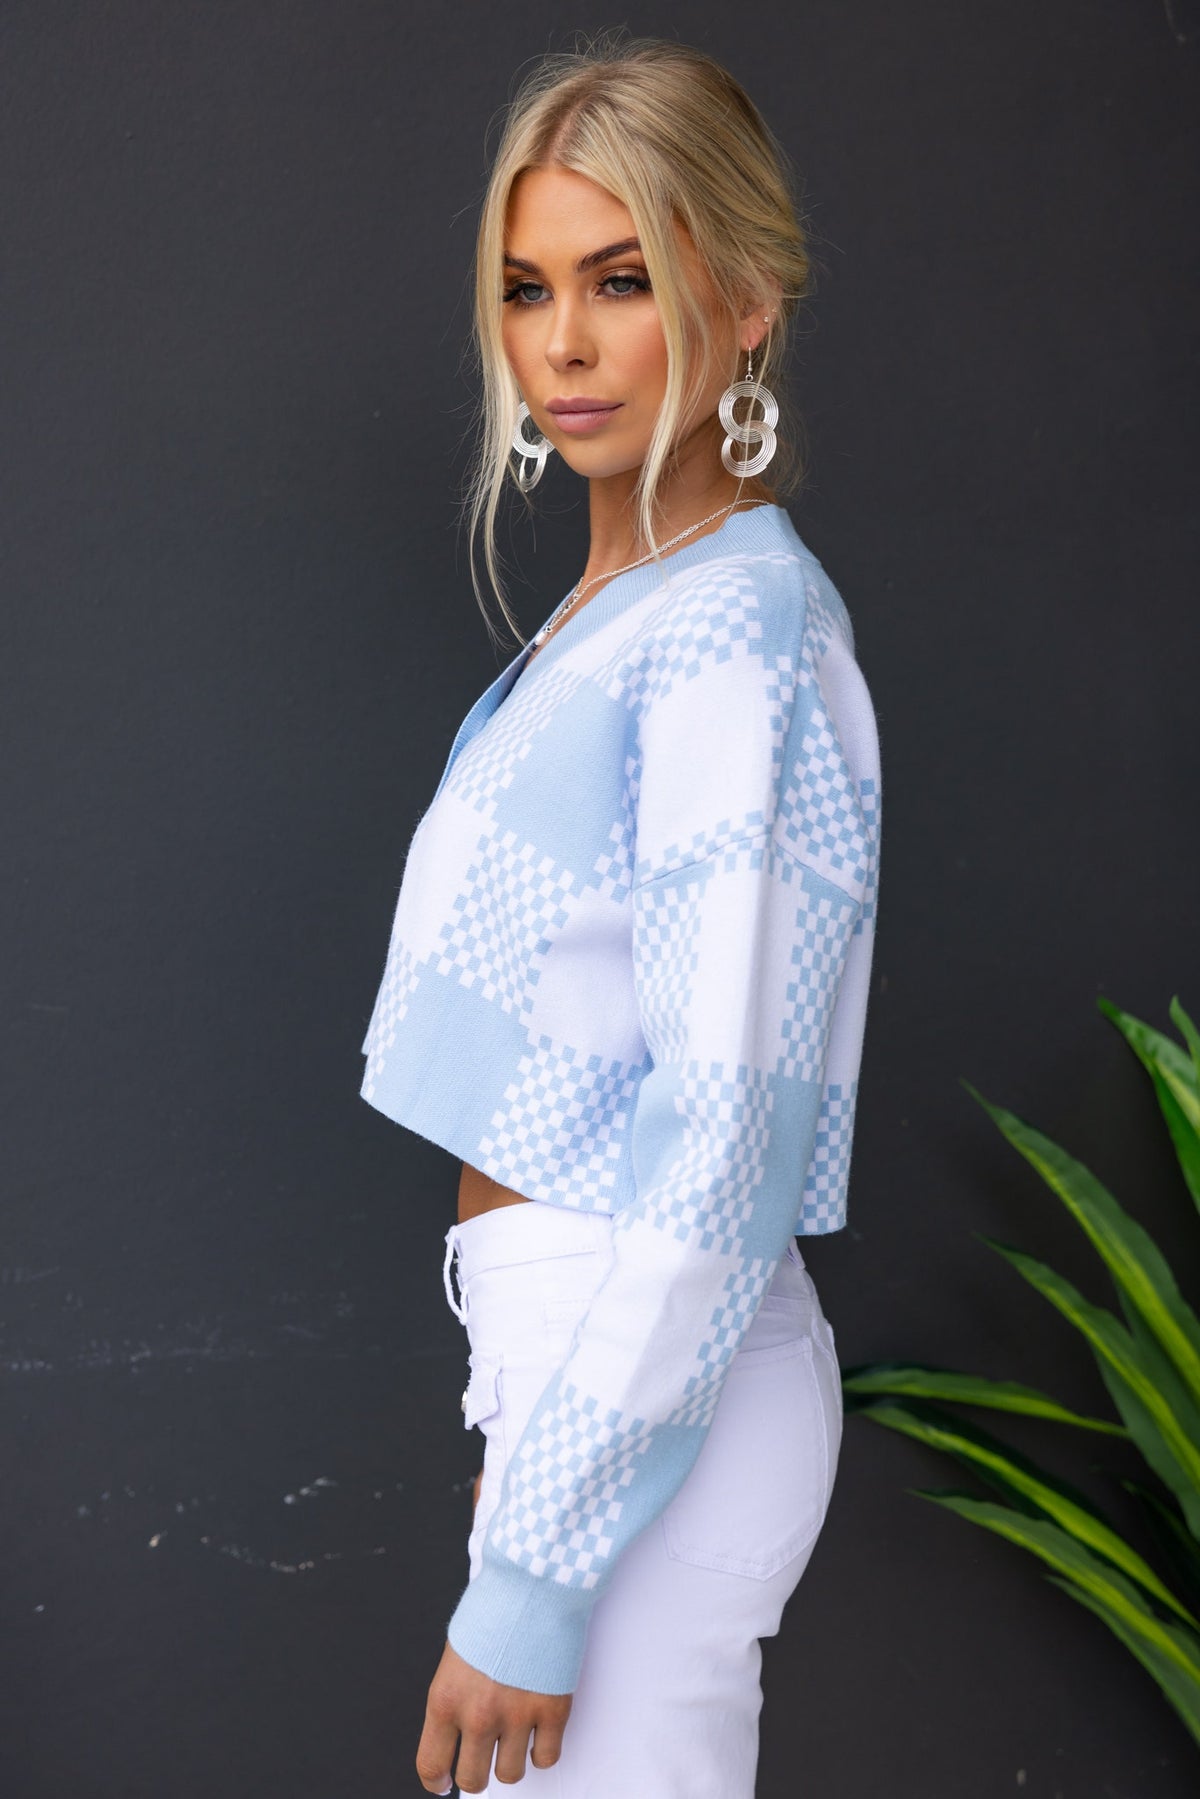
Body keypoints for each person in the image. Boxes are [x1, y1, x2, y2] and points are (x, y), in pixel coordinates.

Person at [358, 33, 882, 1798]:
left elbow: (723, 1133)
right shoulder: (634, 613)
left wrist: (537, 1569)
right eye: (528, 289)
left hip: (653, 1380)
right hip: (596, 1376)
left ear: (745, 304)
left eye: (624, 279)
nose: (563, 343)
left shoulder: (735, 631)